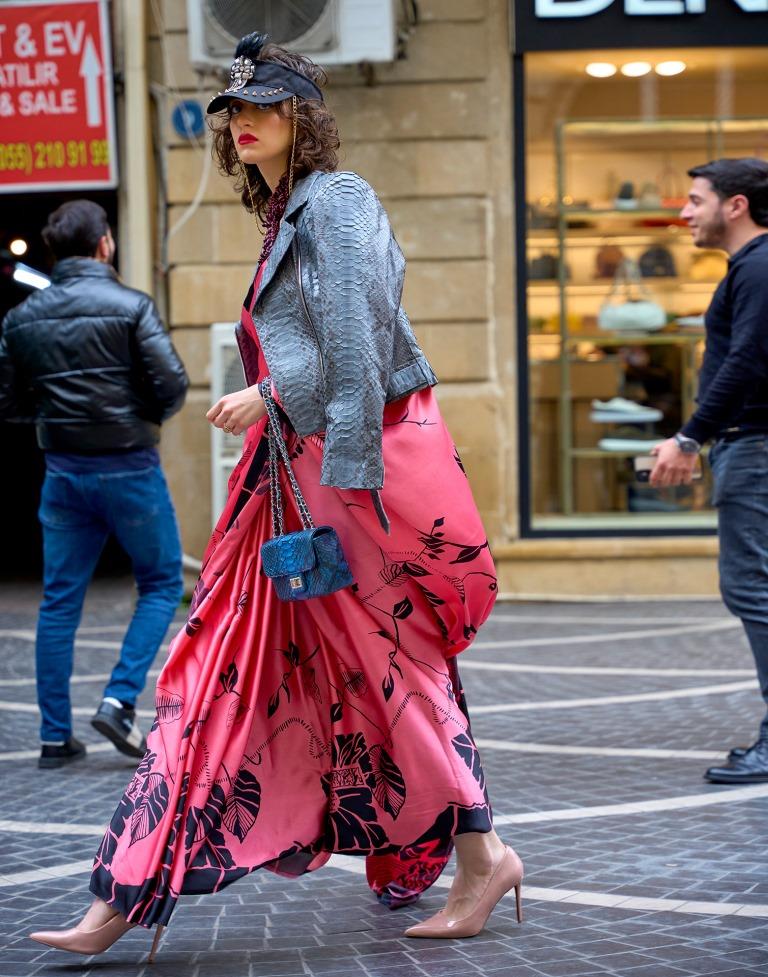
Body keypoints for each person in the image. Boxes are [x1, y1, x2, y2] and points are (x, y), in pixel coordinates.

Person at [27, 33, 520, 960]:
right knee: (221, 663)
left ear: (303, 116)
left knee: (384, 674)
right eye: (233, 111)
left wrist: (273, 395)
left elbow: (362, 337)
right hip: (289, 481)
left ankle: (483, 853)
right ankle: (122, 894)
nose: (242, 123)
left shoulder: (335, 199)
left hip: (341, 477)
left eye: (260, 107)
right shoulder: (287, 210)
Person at [0, 200, 188, 769]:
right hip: (130, 465)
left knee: (59, 602)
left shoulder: (21, 319)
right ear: (105, 244)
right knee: (159, 583)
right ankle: (118, 700)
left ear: (55, 251)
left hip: (64, 471)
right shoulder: (131, 306)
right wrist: (132, 415)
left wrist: (58, 418)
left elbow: (8, 403)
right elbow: (172, 387)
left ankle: (54, 738)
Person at [650, 157, 768, 784]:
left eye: (696, 200)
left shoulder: (758, 267)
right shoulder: (751, 269)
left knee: (751, 588)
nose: (685, 213)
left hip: (754, 448)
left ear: (736, 205)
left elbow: (747, 359)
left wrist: (690, 436)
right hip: (748, 445)